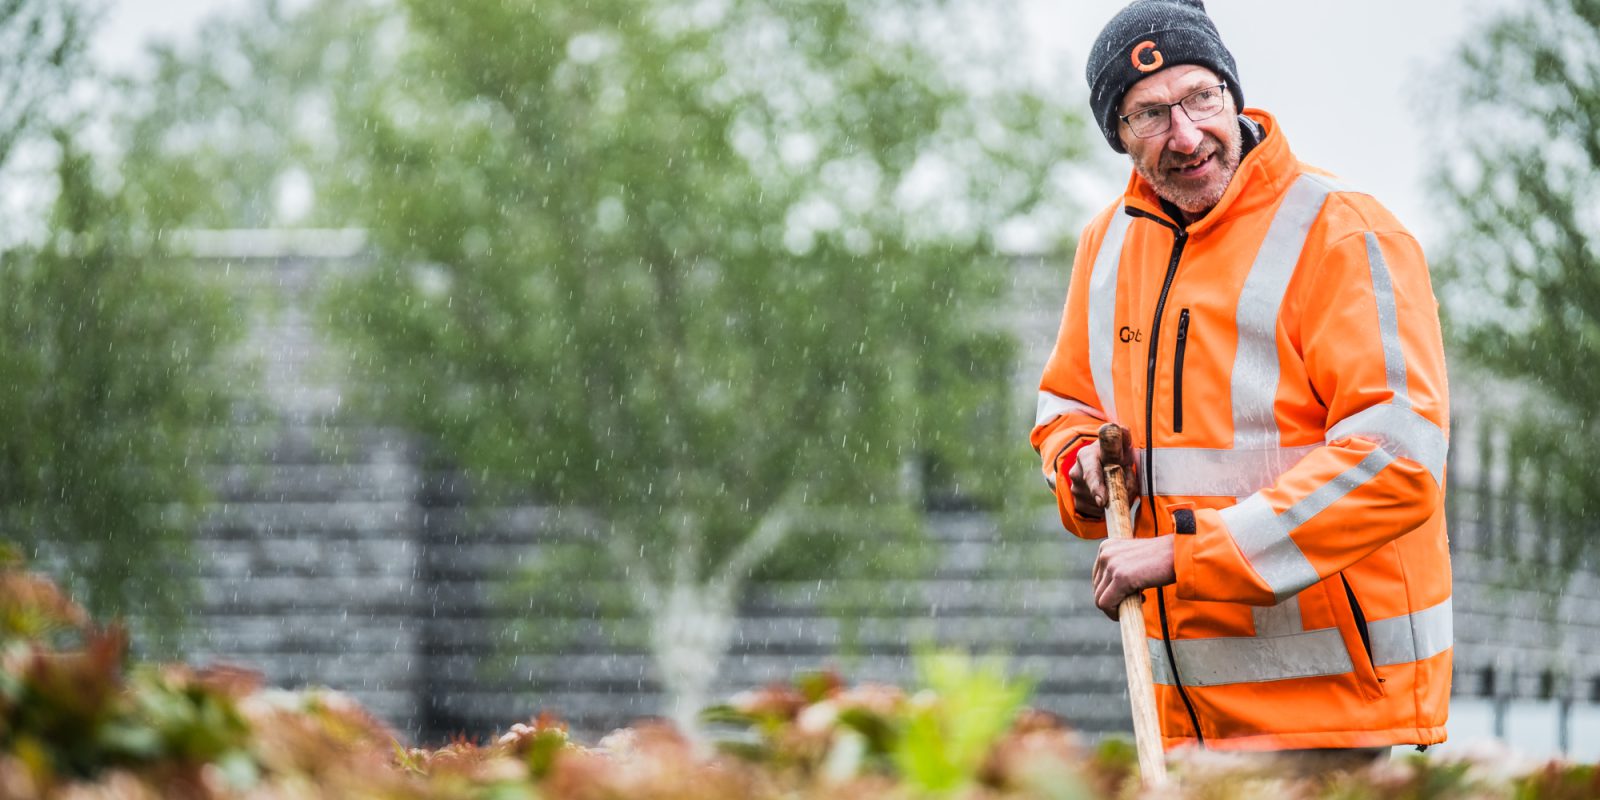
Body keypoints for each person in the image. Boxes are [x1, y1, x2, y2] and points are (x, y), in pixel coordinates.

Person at [1030, 0, 1451, 756]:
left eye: (1201, 97)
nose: (1187, 134)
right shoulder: (1105, 248)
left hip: (1330, 715)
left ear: (1233, 92)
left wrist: (1182, 556)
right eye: (1150, 114)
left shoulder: (1344, 232)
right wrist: (1081, 464)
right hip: (1179, 719)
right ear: (1118, 138)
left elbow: (1398, 462)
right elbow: (1065, 406)